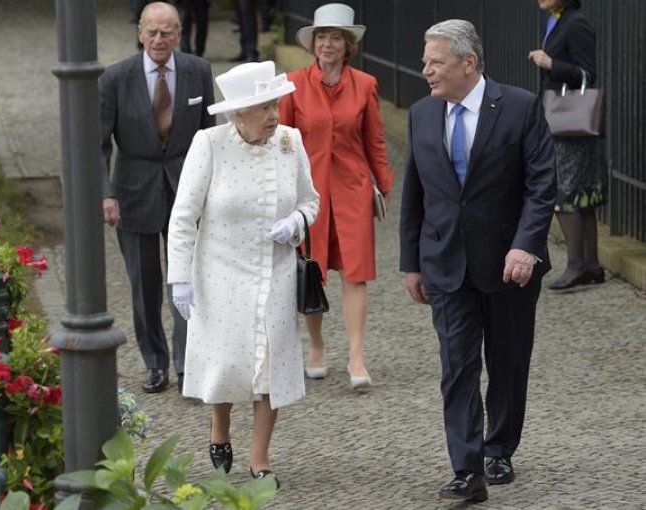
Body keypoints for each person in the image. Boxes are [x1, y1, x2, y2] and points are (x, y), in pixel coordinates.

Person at [399, 19, 556, 502]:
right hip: (445, 263)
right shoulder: (422, 114)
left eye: (435, 61)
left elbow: (541, 184)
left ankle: (499, 448)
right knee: (457, 366)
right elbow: (415, 192)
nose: (426, 70)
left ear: (468, 62)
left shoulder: (521, 108)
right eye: (426, 61)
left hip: (510, 265)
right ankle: (467, 469)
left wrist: (526, 245)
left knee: (507, 363)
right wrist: (411, 262)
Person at [167, 61, 319, 486]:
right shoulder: (209, 143)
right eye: (264, 107)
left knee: (270, 365)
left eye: (275, 105)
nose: (274, 115)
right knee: (227, 361)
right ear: (238, 113)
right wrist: (180, 277)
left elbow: (311, 201)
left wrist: (296, 224)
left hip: (276, 272)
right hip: (219, 273)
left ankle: (260, 458)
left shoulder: (291, 141)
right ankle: (219, 426)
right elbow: (183, 217)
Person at [100, 2, 215, 394]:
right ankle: (155, 363)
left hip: (188, 188)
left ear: (179, 34)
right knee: (144, 285)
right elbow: (98, 144)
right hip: (134, 191)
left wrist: (213, 187)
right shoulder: (115, 78)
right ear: (140, 33)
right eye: (152, 32)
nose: (159, 39)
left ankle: (188, 363)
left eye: (167, 32)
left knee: (187, 279)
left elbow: (209, 135)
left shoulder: (198, 71)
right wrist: (106, 194)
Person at [278, 3, 393, 389]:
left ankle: (357, 357)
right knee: (313, 270)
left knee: (356, 273)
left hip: (353, 188)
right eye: (322, 37)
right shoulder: (292, 85)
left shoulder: (365, 85)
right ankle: (315, 346)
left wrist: (384, 183)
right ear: (313, 43)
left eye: (336, 38)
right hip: (307, 193)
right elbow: (282, 142)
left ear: (348, 45)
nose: (328, 44)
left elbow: (374, 140)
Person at [529, 0, 607, 290]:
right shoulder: (557, 20)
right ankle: (592, 265)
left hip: (570, 124)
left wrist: (551, 64)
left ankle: (576, 265)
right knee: (581, 196)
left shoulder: (576, 23)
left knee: (563, 194)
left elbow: (588, 74)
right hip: (564, 123)